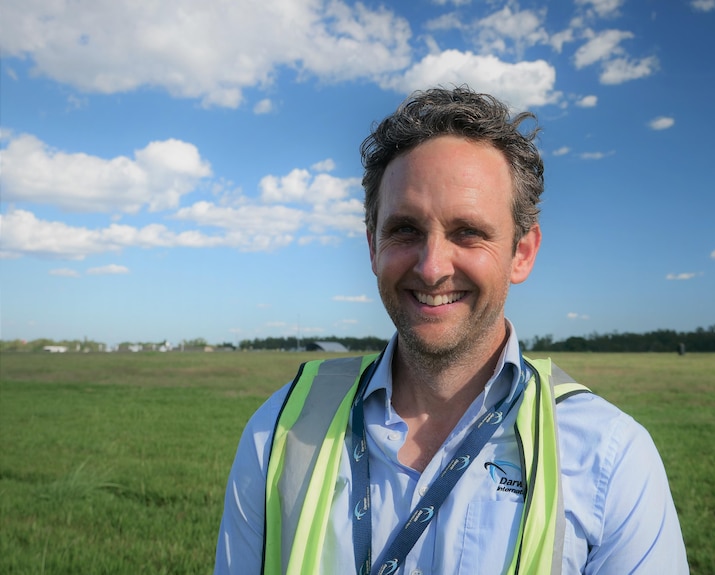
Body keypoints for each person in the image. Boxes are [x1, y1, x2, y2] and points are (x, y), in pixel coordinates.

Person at [214, 86, 688, 574]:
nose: (432, 267)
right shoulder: (279, 432)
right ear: (372, 247)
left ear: (521, 252)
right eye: (405, 230)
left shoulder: (610, 457)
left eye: (468, 232)